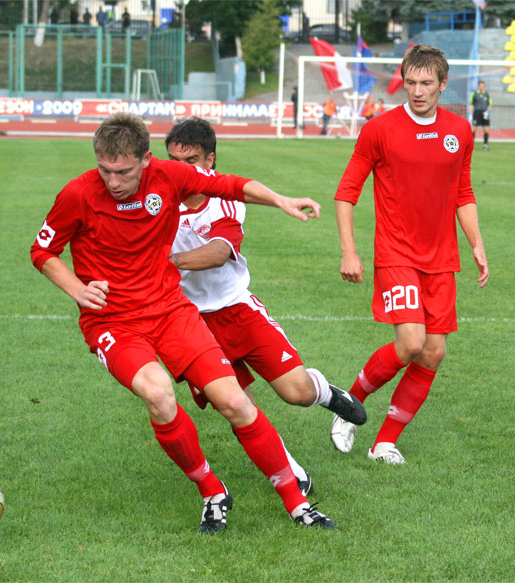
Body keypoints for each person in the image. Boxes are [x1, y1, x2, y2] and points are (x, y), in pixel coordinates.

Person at [30, 112, 336, 533]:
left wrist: (281, 200)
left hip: (171, 311)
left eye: (122, 171)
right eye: (105, 170)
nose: (112, 181)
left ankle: (297, 503)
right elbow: (43, 251)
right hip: (113, 322)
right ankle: (211, 490)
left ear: (146, 161)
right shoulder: (78, 193)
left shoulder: (169, 177)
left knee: (235, 402)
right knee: (158, 394)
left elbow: (230, 185)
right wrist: (77, 290)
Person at [165, 117, 367, 495]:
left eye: (190, 160)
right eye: (174, 161)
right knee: (237, 406)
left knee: (297, 394)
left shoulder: (223, 198)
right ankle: (289, 469)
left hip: (238, 311)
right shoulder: (159, 197)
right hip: (189, 323)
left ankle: (328, 393)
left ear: (210, 160)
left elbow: (219, 251)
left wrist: (169, 262)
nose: (181, 170)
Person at [332, 44, 489, 465]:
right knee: (411, 342)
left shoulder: (460, 130)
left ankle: (384, 442)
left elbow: (463, 192)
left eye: (426, 84)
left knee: (434, 352)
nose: (417, 91)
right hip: (396, 252)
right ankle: (349, 404)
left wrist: (475, 242)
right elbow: (347, 193)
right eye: (411, 82)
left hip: (441, 259)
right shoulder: (380, 129)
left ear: (443, 84)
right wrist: (350, 251)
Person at [469, 80, 492, 151]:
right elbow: (471, 104)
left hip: (484, 113)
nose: (482, 87)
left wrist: (488, 112)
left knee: (486, 129)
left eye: (483, 86)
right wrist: (470, 113)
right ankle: (471, 145)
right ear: (478, 86)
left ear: (484, 87)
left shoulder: (487, 94)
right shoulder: (474, 94)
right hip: (477, 113)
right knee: (473, 129)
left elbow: (489, 105)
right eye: (480, 86)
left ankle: (485, 145)